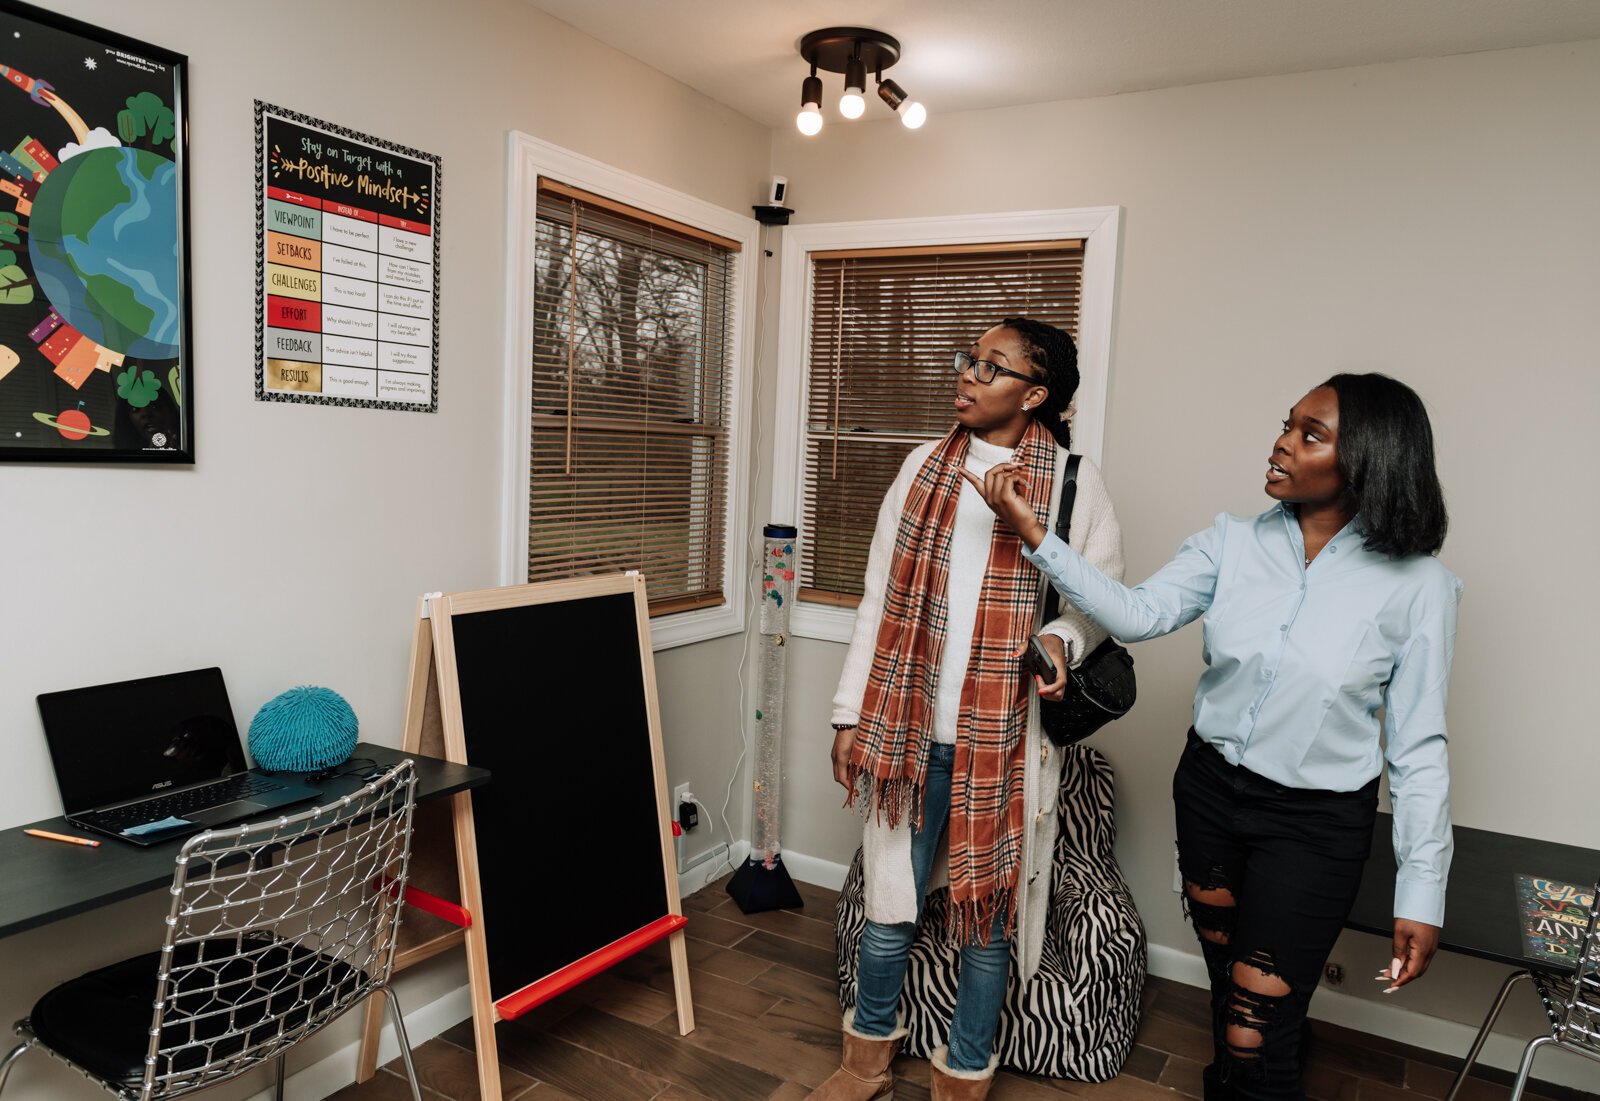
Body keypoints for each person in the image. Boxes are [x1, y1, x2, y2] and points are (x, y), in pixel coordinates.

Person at [962, 373, 1461, 1101]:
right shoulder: (1232, 541)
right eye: (1286, 424)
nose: (1282, 442)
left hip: (1315, 824)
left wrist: (1423, 890)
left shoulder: (1419, 586)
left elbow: (1418, 751)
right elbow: (1135, 614)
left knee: (1256, 1020)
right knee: (1229, 986)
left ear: (1370, 460)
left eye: (1309, 433)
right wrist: (1034, 533)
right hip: (1209, 793)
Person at [813, 318, 1125, 1101]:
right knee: (890, 910)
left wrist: (1057, 638)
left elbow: (1098, 606)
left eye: (993, 366)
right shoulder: (922, 467)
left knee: (988, 921)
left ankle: (965, 1073)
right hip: (909, 739)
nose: (969, 375)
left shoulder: (1076, 485)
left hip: (1006, 749)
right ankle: (864, 1062)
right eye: (969, 359)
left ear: (1037, 393)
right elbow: (879, 599)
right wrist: (852, 714)